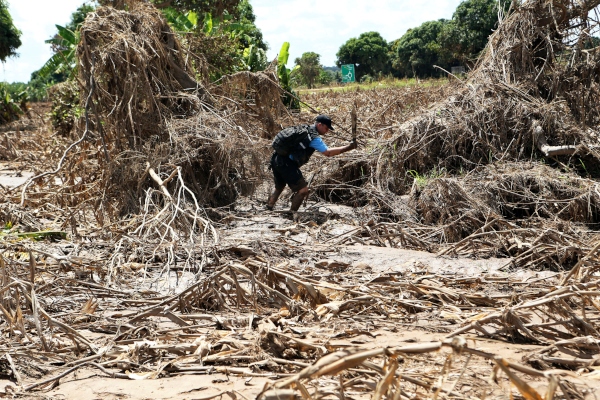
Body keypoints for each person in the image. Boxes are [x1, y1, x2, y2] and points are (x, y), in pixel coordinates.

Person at [267, 115, 357, 211]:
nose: (327, 131)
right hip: (286, 163)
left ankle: (269, 206)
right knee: (303, 190)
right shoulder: (313, 137)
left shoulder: (304, 128)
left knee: (279, 187)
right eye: (326, 128)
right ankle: (292, 213)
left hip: (276, 158)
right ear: (319, 125)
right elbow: (328, 153)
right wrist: (349, 147)